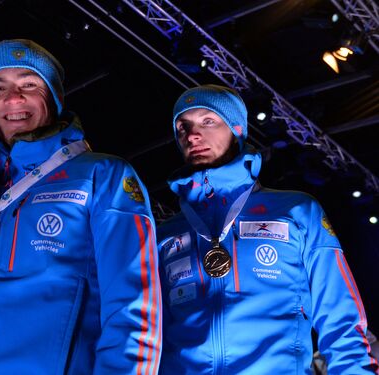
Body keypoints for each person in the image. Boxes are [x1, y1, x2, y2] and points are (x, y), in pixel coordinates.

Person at [0, 39, 161, 374]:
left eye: (29, 84)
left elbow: (135, 306)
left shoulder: (102, 174)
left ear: (53, 97)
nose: (13, 98)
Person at [156, 84, 378, 374]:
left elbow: (340, 317)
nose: (193, 135)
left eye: (208, 121)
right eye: (183, 127)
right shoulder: (164, 234)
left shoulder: (295, 211)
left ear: (236, 128)